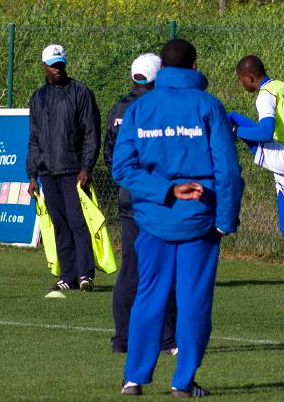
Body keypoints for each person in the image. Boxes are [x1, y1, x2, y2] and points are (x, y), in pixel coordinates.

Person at [113, 39, 244, 396]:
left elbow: (122, 169)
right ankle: (183, 381)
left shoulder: (141, 109)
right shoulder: (208, 106)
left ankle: (134, 378)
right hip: (199, 221)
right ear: (195, 65)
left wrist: (164, 191)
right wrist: (226, 218)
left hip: (152, 219)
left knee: (148, 297)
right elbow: (227, 172)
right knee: (193, 301)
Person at [226, 55, 284, 308]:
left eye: (241, 79)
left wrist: (234, 133)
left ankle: (217, 148)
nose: (241, 84)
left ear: (249, 77)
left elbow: (265, 132)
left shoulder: (264, 94)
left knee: (231, 119)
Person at [105, 53, 176, 354]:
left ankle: (123, 338)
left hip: (129, 199)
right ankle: (168, 339)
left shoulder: (118, 109)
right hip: (157, 200)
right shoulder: (159, 109)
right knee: (166, 269)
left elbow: (111, 158)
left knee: (131, 270)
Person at [26, 44, 101, 292]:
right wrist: (32, 175)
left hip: (73, 170)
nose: (57, 68)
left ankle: (85, 275)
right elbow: (35, 138)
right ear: (44, 66)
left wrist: (87, 167)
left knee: (79, 223)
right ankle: (67, 276)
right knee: (60, 225)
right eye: (52, 64)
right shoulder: (38, 98)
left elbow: (91, 133)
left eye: (60, 64)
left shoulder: (81, 92)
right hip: (48, 171)